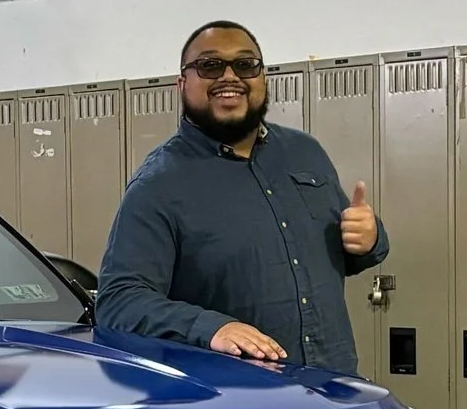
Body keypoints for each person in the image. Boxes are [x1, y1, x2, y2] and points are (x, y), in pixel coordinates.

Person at [95, 20, 387, 372]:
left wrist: (369, 239)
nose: (229, 76)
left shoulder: (304, 152)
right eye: (210, 65)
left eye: (245, 65)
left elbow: (346, 250)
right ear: (182, 84)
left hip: (333, 387)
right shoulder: (159, 184)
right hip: (241, 406)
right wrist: (210, 327)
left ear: (263, 78)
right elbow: (119, 301)